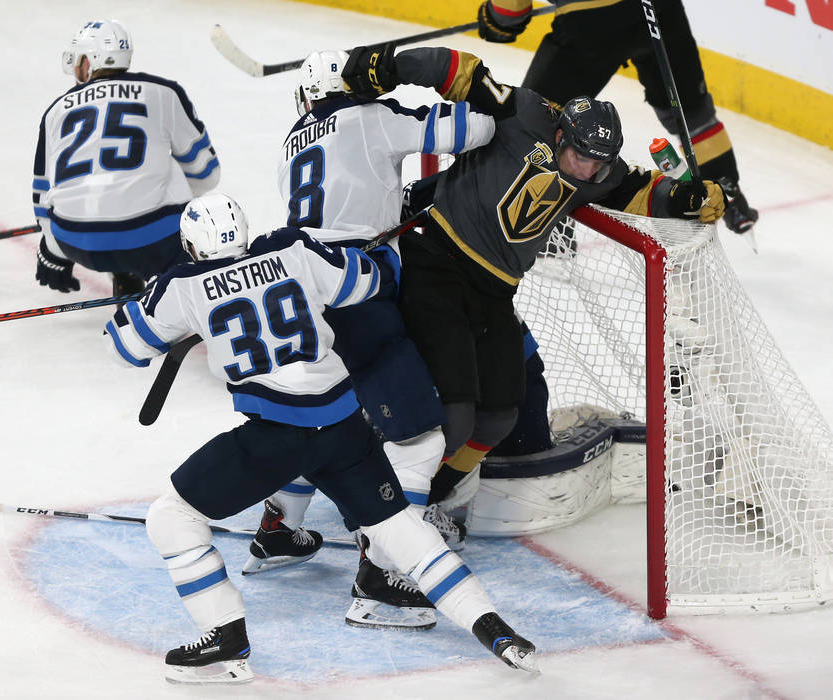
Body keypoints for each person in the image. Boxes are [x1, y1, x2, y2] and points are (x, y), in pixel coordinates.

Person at [104, 193, 539, 683]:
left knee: (171, 517)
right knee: (400, 530)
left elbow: (124, 348)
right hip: (344, 432)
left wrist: (139, 306)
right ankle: (494, 629)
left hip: (275, 440)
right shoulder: (292, 249)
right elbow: (368, 281)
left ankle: (225, 634)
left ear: (191, 246)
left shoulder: (180, 286)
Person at [340, 43, 725, 519]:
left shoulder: (599, 170)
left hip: (496, 293)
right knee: (455, 416)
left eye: (599, 164)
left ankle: (427, 499)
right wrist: (389, 67)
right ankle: (389, 511)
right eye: (582, 157)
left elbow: (642, 191)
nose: (589, 171)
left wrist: (687, 199)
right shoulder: (522, 113)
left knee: (499, 417)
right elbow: (456, 70)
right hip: (437, 267)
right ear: (560, 133)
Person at [245, 50, 497, 630]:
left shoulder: (292, 141)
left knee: (319, 416)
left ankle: (279, 529)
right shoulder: (371, 117)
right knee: (419, 442)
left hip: (302, 291)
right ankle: (380, 580)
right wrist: (487, 91)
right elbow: (477, 128)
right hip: (357, 291)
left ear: (308, 96)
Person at [476, 0, 758, 234]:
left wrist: (496, 21)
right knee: (693, 115)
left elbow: (508, 13)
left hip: (591, 18)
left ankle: (548, 231)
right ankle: (728, 197)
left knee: (542, 119)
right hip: (660, 9)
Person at [32, 19, 221, 297]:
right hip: (151, 244)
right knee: (166, 168)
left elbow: (41, 199)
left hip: (73, 242)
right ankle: (171, 283)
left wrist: (53, 248)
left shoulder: (55, 111)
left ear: (89, 63)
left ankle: (125, 275)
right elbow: (207, 174)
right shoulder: (163, 92)